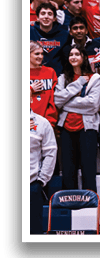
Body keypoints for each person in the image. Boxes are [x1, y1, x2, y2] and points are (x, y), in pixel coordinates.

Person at [54, 45, 100, 192]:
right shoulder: (62, 78)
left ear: (83, 57)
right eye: (71, 54)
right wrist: (79, 83)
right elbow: (57, 100)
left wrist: (66, 104)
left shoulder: (94, 78)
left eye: (77, 54)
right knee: (68, 169)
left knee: (88, 167)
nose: (73, 57)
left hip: (87, 128)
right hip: (67, 127)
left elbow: (93, 105)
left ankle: (90, 201)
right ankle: (69, 202)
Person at [30, 89, 57, 234]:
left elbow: (50, 153)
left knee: (34, 231)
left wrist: (41, 181)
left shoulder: (42, 123)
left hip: (31, 185)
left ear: (31, 100)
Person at [30, 2, 71, 77]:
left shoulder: (64, 34)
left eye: (49, 14)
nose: (46, 17)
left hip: (57, 76)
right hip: (33, 76)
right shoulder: (29, 32)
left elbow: (66, 59)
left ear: (54, 18)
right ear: (37, 18)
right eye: (43, 13)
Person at [30, 41, 58, 128]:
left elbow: (53, 100)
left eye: (42, 54)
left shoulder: (50, 72)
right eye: (37, 54)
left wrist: (50, 122)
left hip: (46, 123)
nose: (40, 57)